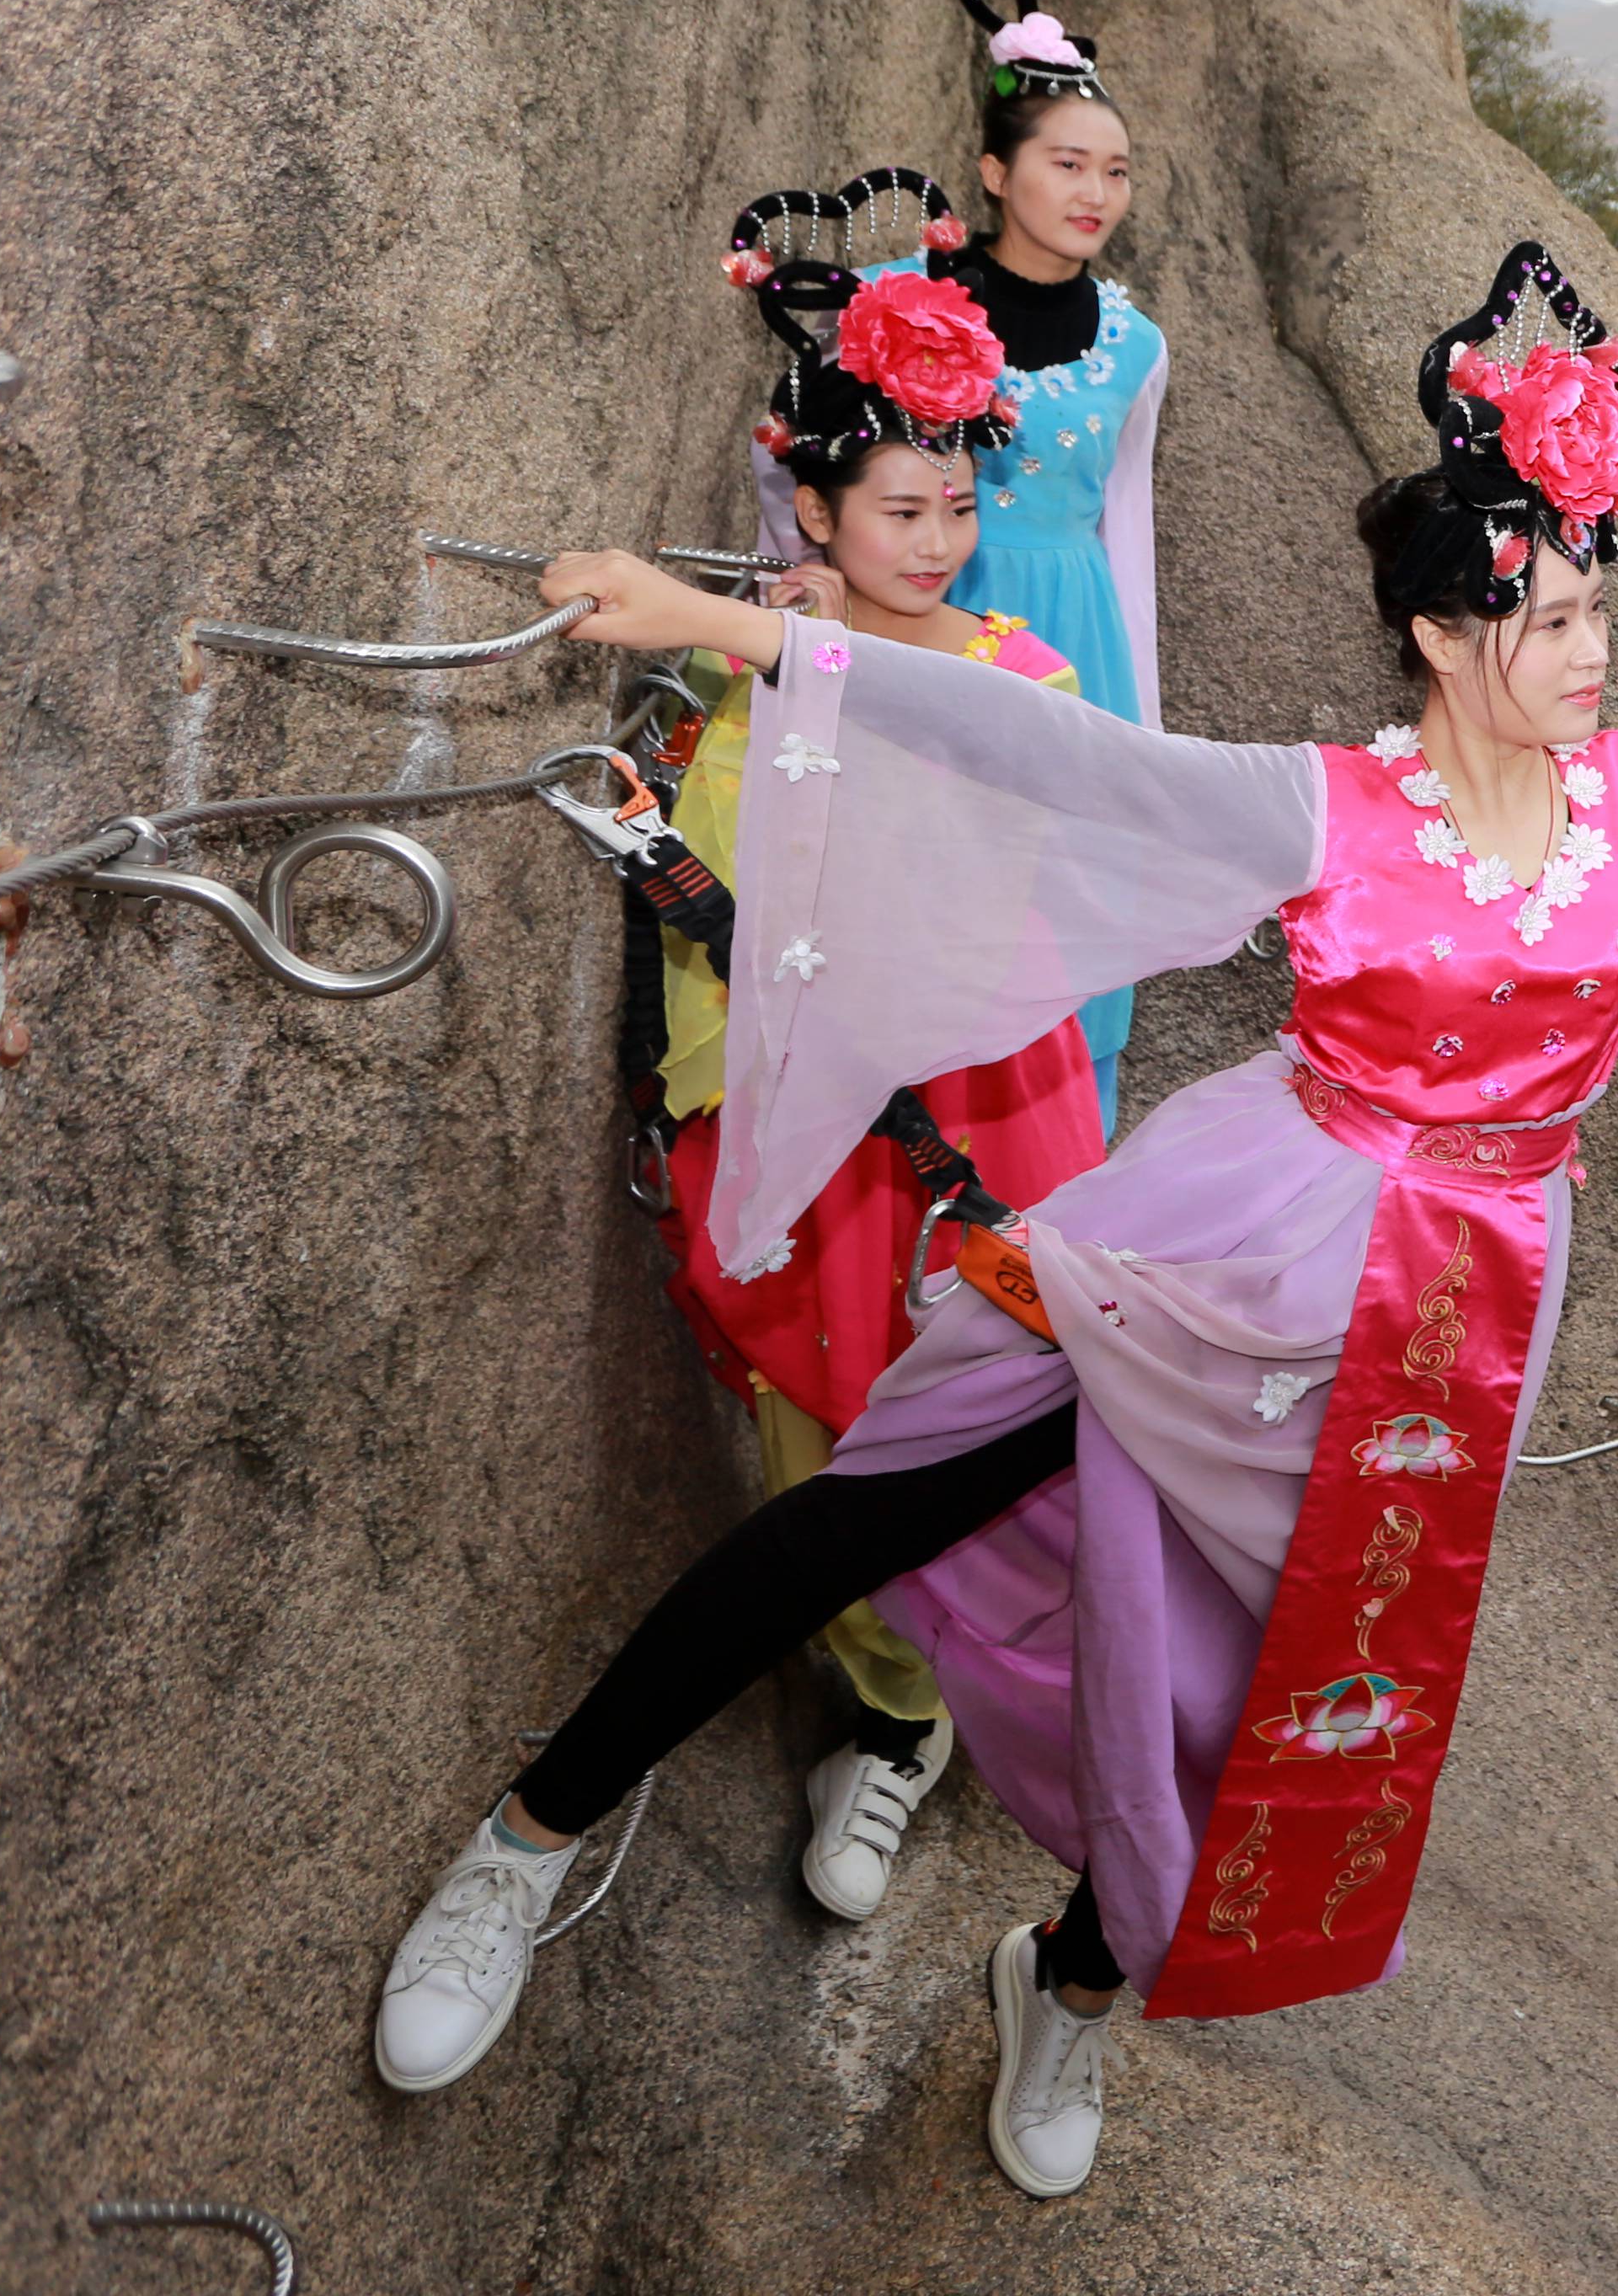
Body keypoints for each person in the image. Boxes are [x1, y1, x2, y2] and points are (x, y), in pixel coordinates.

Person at [371, 241, 1618, 2203]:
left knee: (1274, 1703)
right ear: (1441, 638)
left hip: (1451, 1321)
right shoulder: (1325, 810)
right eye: (1550, 619)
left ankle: (1069, 1989)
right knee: (872, 1505)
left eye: (1602, 610)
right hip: (1230, 1236)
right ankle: (527, 1840)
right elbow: (1047, 752)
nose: (1595, 654)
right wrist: (720, 623)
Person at [641, 173, 1111, 1937]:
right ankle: (886, 1711)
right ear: (816, 510)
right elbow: (725, 916)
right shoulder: (757, 695)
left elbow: (1048, 858)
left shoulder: (1028, 670)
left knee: (988, 1404)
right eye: (899, 507)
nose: (936, 539)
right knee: (828, 1414)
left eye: (959, 504)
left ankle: (959, 1697)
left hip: (986, 1100)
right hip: (824, 1104)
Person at [761, 0, 1172, 1136]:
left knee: (1069, 939)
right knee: (911, 925)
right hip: (921, 637)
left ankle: (1051, 1209)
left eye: (1116, 171)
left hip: (1071, 652)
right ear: (996, 172)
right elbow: (795, 465)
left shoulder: (1137, 346)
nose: (1095, 192)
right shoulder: (898, 306)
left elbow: (1127, 533)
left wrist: (1138, 723)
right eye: (1067, 164)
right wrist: (816, 618)